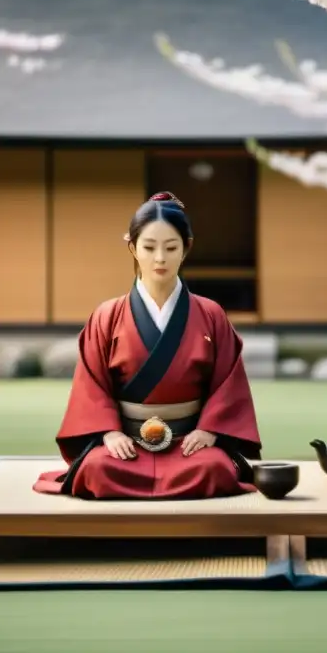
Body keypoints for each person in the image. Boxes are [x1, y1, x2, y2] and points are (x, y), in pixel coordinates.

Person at [33, 191, 262, 500]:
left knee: (214, 469)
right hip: (126, 443)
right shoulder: (107, 315)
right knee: (96, 469)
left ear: (186, 249)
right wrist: (109, 432)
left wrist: (209, 430)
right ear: (132, 248)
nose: (160, 258)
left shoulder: (210, 314)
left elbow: (227, 384)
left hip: (188, 443)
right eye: (149, 247)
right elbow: (92, 385)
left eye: (170, 247)